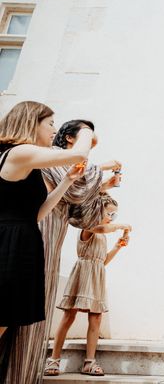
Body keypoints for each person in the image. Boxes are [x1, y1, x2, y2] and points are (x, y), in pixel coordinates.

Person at [6, 119, 123, 384]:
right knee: (27, 303)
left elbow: (79, 210)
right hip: (40, 229)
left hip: (55, 233)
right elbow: (77, 189)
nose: (91, 143)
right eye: (87, 136)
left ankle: (25, 372)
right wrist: (101, 170)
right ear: (70, 138)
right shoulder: (54, 157)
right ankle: (17, 373)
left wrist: (104, 186)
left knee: (40, 304)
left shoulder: (70, 164)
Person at [0, 101, 94, 381]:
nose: (53, 129)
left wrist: (66, 182)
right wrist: (87, 129)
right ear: (32, 122)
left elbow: (36, 213)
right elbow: (79, 152)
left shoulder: (26, 159)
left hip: (24, 240)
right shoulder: (19, 152)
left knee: (7, 320)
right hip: (10, 244)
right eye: (50, 123)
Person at [45, 194, 130, 377]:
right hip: (83, 275)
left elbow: (103, 260)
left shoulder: (103, 235)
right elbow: (100, 228)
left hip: (97, 275)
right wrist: (120, 226)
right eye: (110, 214)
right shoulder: (89, 228)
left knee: (96, 318)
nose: (111, 218)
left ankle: (89, 362)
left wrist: (117, 246)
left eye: (114, 215)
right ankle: (54, 359)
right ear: (97, 211)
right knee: (69, 316)